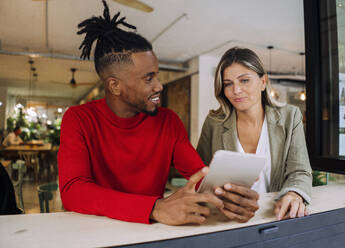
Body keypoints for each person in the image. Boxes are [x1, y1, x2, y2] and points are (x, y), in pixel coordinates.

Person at [58, 1, 259, 225]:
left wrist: (230, 195)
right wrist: (154, 208)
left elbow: (198, 175)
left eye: (156, 75)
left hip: (149, 233)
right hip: (94, 232)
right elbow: (73, 190)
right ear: (114, 86)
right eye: (148, 78)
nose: (159, 86)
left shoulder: (168, 121)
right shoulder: (78, 119)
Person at [197, 47, 312, 221]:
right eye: (228, 83)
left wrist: (294, 193)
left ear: (263, 82)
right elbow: (200, 175)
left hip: (274, 216)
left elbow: (300, 170)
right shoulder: (214, 122)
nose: (236, 90)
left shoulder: (290, 116)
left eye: (244, 80)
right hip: (227, 217)